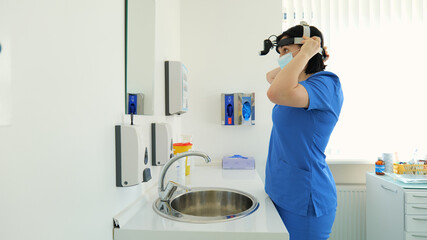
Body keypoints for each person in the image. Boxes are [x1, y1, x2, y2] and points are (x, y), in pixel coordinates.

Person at [264, 23, 343, 240]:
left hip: (306, 196)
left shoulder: (326, 84)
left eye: (286, 51)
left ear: (307, 48)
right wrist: (298, 57)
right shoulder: (299, 88)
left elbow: (275, 91)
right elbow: (271, 77)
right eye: (279, 53)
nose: (281, 58)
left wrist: (309, 53)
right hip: (281, 190)